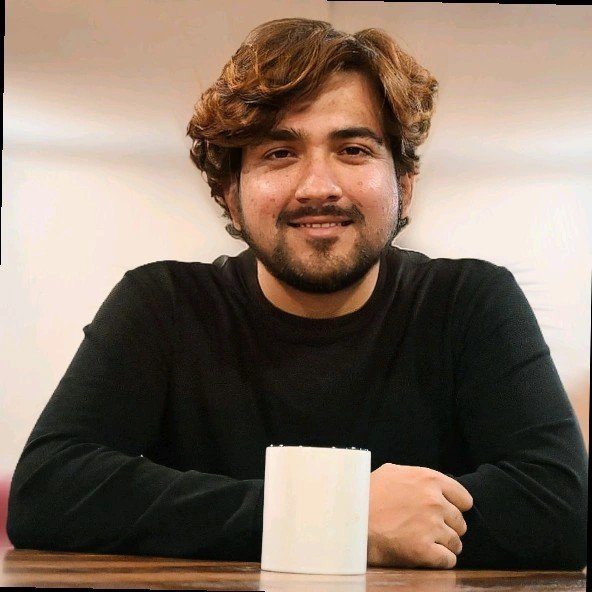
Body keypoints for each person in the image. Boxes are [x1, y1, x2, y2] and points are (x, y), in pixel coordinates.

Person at [7, 18, 587, 569]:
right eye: (279, 153)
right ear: (231, 196)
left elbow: (562, 508)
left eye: (353, 149)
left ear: (404, 185)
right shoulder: (163, 304)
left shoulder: (471, 301)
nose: (318, 187)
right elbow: (49, 491)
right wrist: (338, 516)